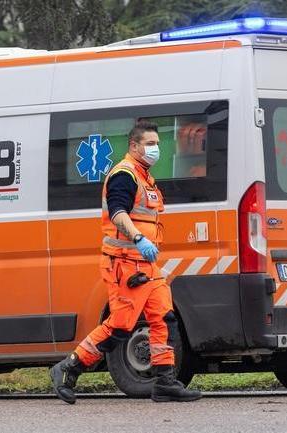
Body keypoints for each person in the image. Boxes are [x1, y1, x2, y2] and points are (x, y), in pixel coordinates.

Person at [50, 119, 202, 404]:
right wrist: (138, 239)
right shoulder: (125, 174)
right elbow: (119, 212)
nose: (155, 149)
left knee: (164, 319)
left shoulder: (145, 177)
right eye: (150, 144)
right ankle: (69, 367)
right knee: (121, 324)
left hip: (145, 266)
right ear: (134, 146)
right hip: (124, 263)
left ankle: (165, 381)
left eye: (157, 144)